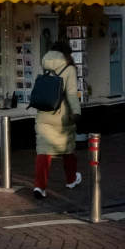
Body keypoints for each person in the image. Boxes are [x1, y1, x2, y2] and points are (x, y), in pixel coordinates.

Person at [33, 40, 81, 198]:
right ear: (67, 54)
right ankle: (71, 179)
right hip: (62, 116)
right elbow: (71, 94)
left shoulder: (45, 65)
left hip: (43, 113)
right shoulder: (69, 69)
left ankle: (39, 186)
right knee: (68, 149)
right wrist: (76, 112)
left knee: (43, 151)